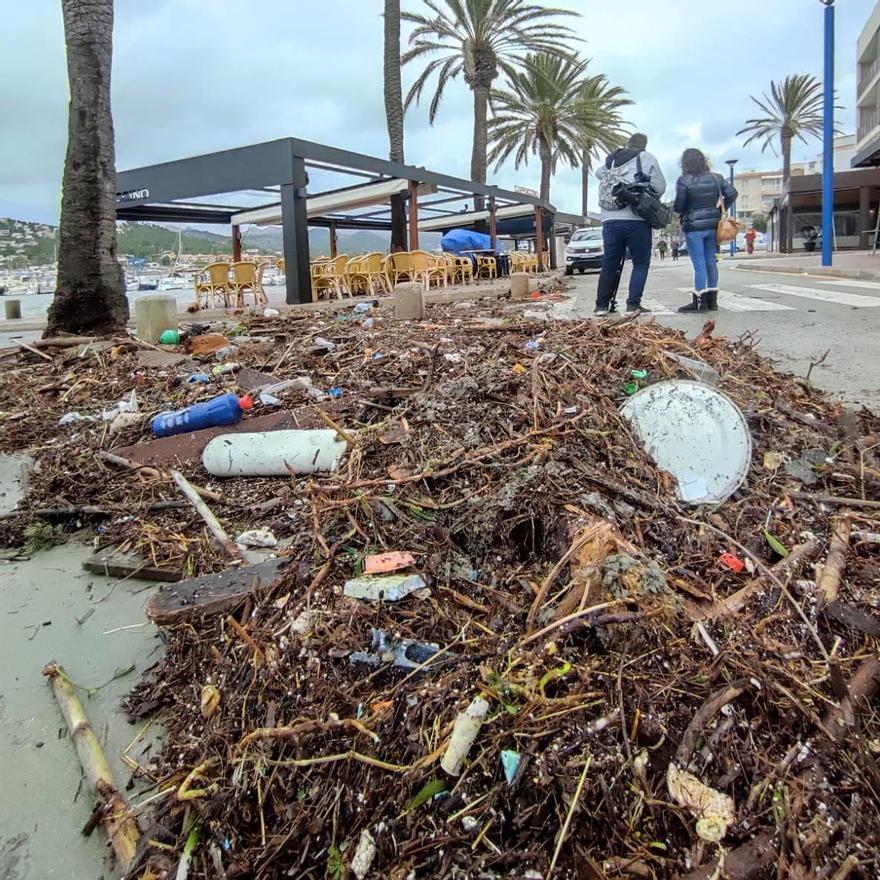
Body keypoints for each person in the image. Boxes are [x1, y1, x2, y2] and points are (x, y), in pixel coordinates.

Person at [594, 133, 667, 316]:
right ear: (644, 145)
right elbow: (660, 186)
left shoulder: (611, 161)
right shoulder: (646, 157)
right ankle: (633, 304)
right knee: (640, 263)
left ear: (627, 144)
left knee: (609, 263)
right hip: (636, 220)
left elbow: (598, 173)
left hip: (609, 220)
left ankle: (601, 306)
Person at [673, 148, 737, 312]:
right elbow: (732, 193)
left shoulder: (684, 181)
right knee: (711, 262)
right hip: (713, 225)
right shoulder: (716, 178)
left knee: (699, 264)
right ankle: (712, 301)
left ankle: (699, 302)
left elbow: (679, 206)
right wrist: (720, 209)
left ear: (685, 163)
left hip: (694, 227)